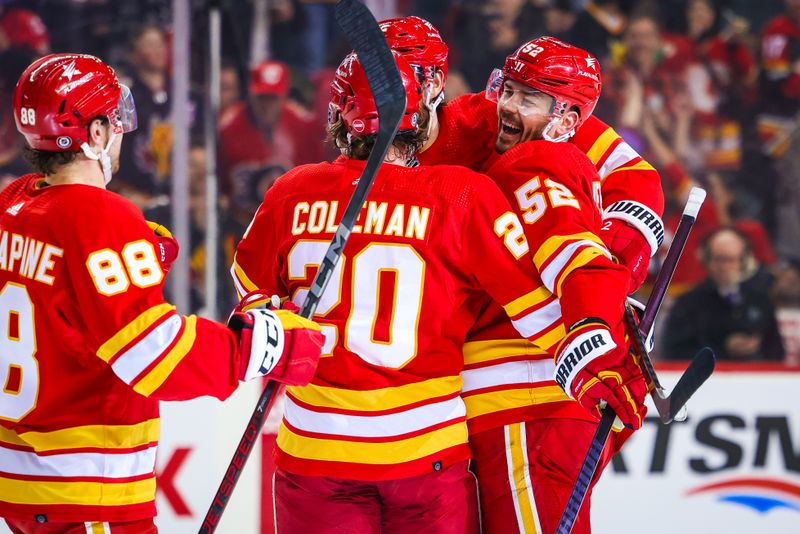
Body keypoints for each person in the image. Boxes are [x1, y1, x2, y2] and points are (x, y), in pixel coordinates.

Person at [230, 51, 575, 533]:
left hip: (315, 452)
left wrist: (277, 318)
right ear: (421, 116)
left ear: (340, 118)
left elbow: (250, 292)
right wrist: (606, 348)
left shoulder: (292, 190)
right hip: (427, 456)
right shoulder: (463, 194)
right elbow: (542, 314)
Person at [0, 53, 324, 533]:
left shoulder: (14, 201)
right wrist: (258, 346)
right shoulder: (102, 219)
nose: (121, 133)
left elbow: (60, 308)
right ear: (93, 135)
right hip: (88, 494)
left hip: (19, 484)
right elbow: (154, 357)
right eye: (114, 121)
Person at [381, 20, 655, 533]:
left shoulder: (533, 158)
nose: (509, 105)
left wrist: (604, 294)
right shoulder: (516, 136)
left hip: (524, 392)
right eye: (508, 90)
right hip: (516, 392)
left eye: (526, 97)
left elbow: (592, 235)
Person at [662, 227, 785, 361]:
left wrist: (755, 350)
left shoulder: (760, 300)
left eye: (731, 260)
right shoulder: (687, 303)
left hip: (755, 377)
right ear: (707, 260)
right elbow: (674, 352)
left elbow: (776, 352)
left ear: (743, 262)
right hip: (709, 378)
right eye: (719, 259)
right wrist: (722, 348)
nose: (725, 267)